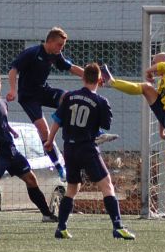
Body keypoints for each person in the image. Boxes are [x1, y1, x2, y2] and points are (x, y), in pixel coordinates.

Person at [7, 27, 116, 181]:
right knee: (44, 131)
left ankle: (95, 134)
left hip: (43, 91)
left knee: (69, 98)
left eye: (63, 46)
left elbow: (71, 68)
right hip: (28, 98)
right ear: (50, 41)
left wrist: (93, 77)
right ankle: (59, 166)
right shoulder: (33, 53)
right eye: (59, 45)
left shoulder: (55, 54)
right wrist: (13, 89)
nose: (61, 48)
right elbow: (13, 70)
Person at [43, 63, 135, 241]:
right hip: (87, 148)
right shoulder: (101, 101)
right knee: (107, 185)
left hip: (69, 148)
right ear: (100, 80)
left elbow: (57, 120)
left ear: (83, 78)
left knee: (72, 187)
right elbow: (105, 124)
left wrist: (49, 140)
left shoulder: (69, 97)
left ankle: (61, 228)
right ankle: (118, 226)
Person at [100, 54, 165, 211]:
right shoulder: (164, 82)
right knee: (146, 88)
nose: (153, 65)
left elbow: (163, 67)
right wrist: (161, 128)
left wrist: (149, 71)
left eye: (154, 63)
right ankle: (111, 82)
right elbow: (163, 104)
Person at [0, 71, 59, 226]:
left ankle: (47, 214)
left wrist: (11, 130)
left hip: (11, 150)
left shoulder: (3, 102)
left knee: (31, 179)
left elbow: (3, 121)